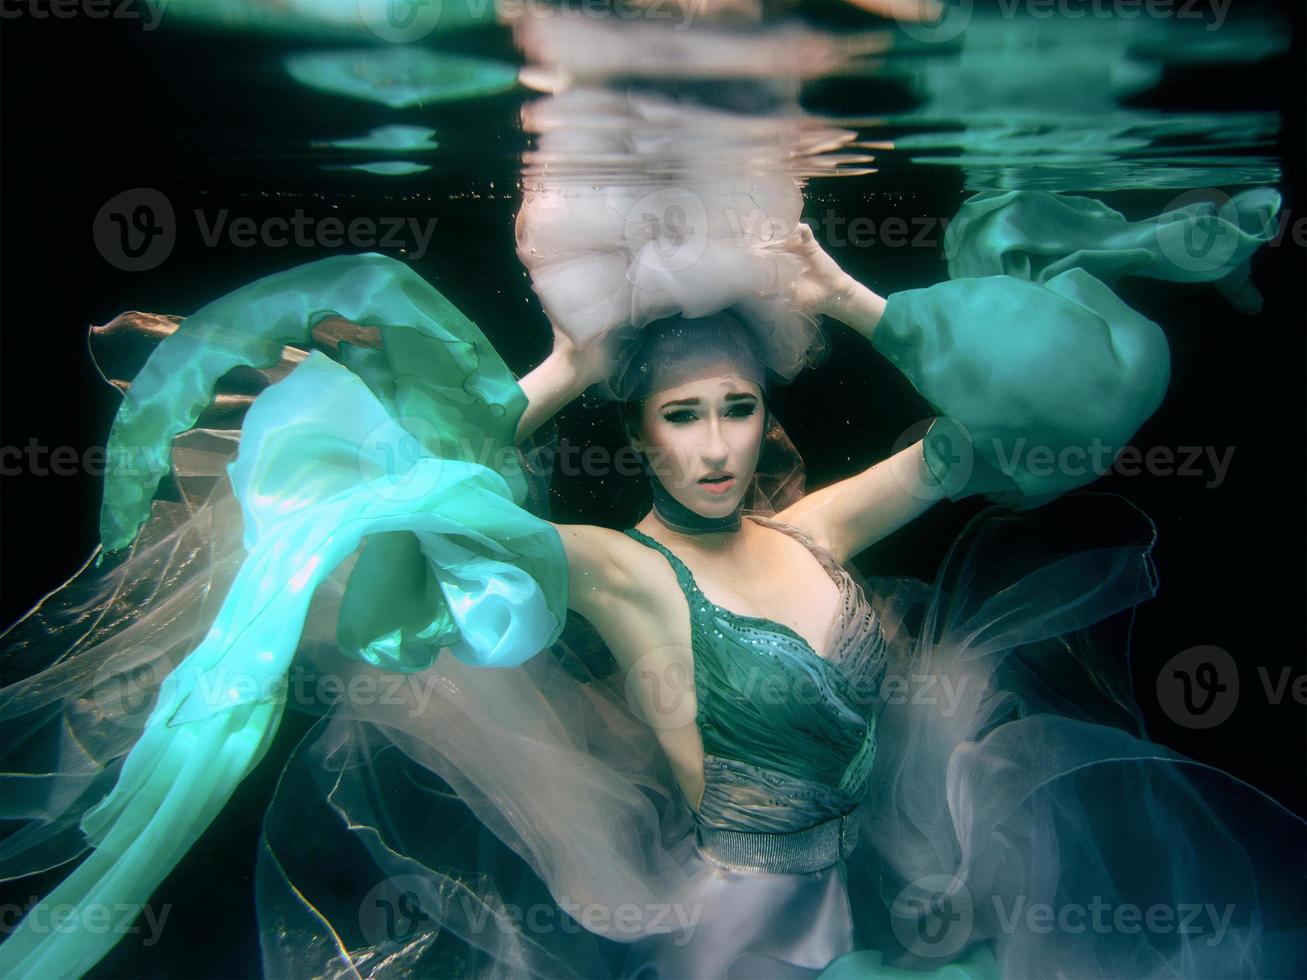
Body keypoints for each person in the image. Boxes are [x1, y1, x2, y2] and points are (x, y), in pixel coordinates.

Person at [1, 197, 1301, 979]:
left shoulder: (816, 533)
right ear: (645, 437)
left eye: (739, 409)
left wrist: (853, 300)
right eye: (684, 417)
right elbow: (441, 500)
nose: (720, 443)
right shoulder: (622, 570)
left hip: (842, 918)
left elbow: (1025, 420)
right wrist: (563, 367)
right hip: (726, 941)